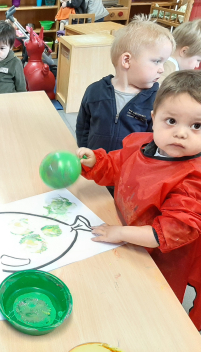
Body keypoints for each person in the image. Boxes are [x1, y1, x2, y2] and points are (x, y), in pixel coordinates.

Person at [76, 70, 201, 331]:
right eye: (171, 121)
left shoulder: (193, 181)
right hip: (125, 243)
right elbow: (114, 165)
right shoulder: (140, 144)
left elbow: (166, 234)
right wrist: (95, 161)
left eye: (196, 126)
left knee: (145, 317)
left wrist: (119, 232)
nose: (181, 134)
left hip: (161, 264)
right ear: (153, 119)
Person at [76, 15, 175, 153]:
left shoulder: (157, 100)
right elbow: (83, 127)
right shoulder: (95, 91)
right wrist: (85, 151)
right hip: (96, 165)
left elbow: (154, 141)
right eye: (157, 61)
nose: (162, 69)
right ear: (127, 60)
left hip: (131, 171)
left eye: (164, 63)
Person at [158, 19, 201, 84]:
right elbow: (157, 89)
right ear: (184, 51)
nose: (197, 65)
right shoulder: (169, 65)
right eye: (198, 60)